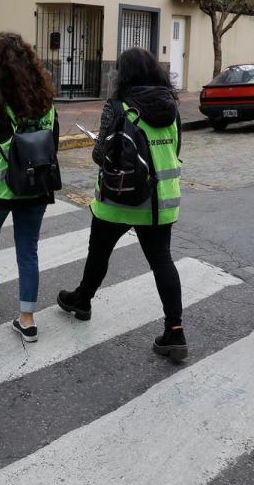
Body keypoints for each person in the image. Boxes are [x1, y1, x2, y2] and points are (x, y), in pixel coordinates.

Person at [56, 47, 187, 360]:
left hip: (118, 198)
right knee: (162, 262)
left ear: (123, 75)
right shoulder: (171, 107)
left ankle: (82, 301)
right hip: (160, 201)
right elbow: (177, 148)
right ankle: (175, 331)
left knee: (99, 253)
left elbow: (100, 155)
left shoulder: (116, 106)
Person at [0, 32, 59, 343]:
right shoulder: (46, 99)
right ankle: (27, 320)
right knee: (28, 250)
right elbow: (52, 143)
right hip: (34, 186)